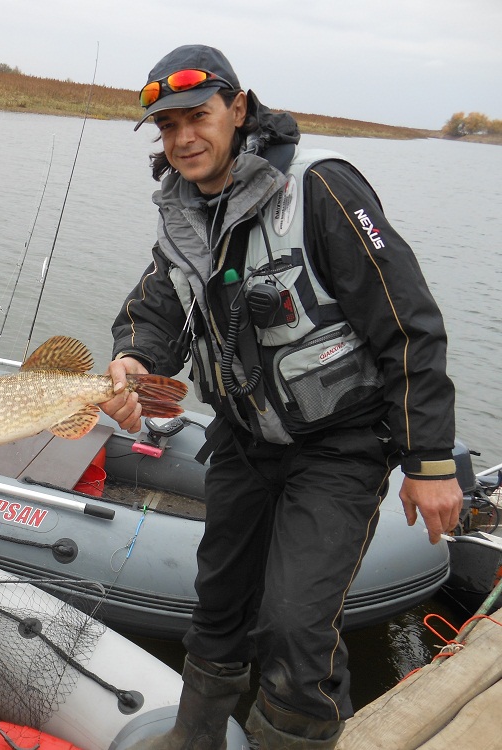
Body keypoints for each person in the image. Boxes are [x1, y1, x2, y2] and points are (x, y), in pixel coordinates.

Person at [100, 45, 463, 750]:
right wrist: (131, 358)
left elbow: (409, 323)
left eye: (196, 118)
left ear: (238, 110)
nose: (182, 140)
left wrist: (431, 461)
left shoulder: (321, 189)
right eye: (167, 127)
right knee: (218, 605)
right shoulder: (181, 215)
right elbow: (154, 313)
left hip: (341, 445)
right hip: (243, 440)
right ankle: (196, 735)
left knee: (295, 625)